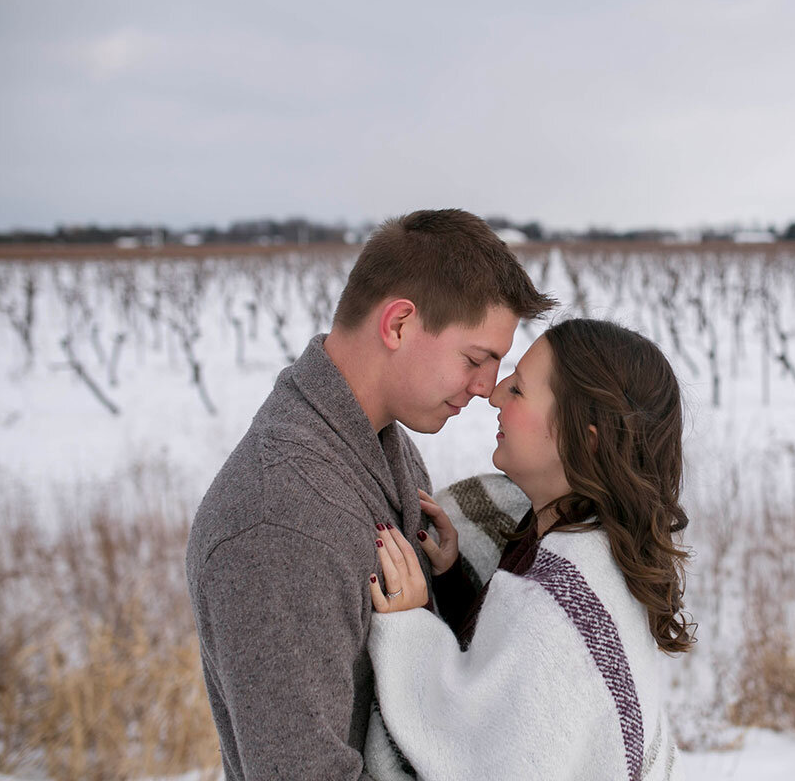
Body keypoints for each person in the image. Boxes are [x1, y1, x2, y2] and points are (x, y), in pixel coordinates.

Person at [185, 209, 555, 781]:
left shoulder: (385, 445)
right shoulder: (278, 521)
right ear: (399, 324)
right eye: (476, 359)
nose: (487, 388)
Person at [365, 318, 693, 781]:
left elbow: (479, 757)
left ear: (584, 439)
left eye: (518, 390)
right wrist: (455, 582)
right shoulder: (584, 542)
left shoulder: (559, 599)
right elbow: (513, 688)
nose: (494, 395)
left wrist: (410, 632)